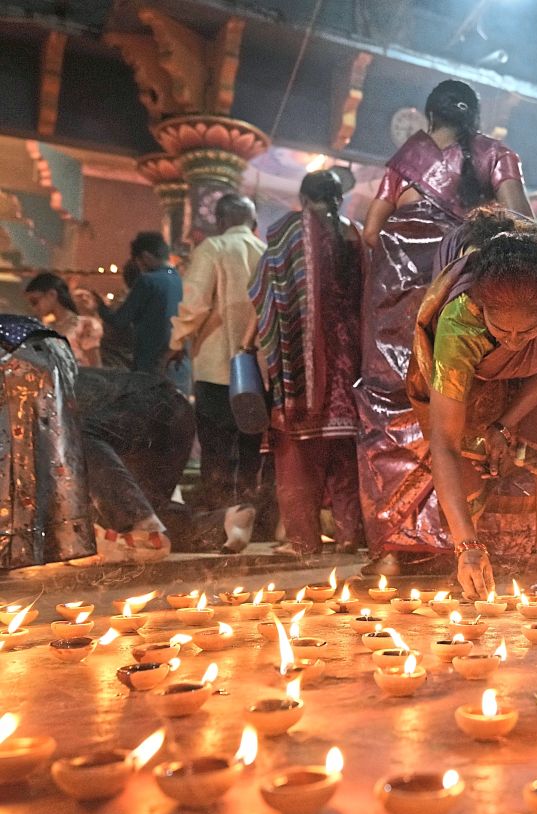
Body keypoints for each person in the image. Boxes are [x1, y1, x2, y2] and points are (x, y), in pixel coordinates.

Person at [356, 79, 533, 560]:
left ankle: (397, 543)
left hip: (392, 307)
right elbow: (523, 224)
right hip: (457, 294)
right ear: (474, 115)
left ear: (428, 117)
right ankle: (462, 538)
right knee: (461, 403)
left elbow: (371, 232)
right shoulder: (496, 154)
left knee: (392, 405)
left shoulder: (403, 161)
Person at [407, 208, 537, 598]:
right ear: (481, 310)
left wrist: (505, 424)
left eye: (527, 329)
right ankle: (468, 557)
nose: (515, 341)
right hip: (475, 366)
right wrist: (466, 547)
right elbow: (444, 444)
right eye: (503, 330)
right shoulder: (459, 324)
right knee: (467, 436)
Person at [249, 171, 364, 558]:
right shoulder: (358, 234)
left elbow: (265, 291)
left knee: (298, 457)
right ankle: (351, 535)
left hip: (299, 362)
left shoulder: (288, 235)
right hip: (352, 361)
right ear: (339, 198)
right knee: (348, 455)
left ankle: (304, 542)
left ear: (301, 196)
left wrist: (249, 340)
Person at [167, 193, 266, 516]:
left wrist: (176, 342)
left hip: (216, 367)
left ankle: (219, 518)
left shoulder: (213, 248)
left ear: (220, 221)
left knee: (216, 445)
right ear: (252, 223)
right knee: (251, 444)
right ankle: (249, 513)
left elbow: (195, 305)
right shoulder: (266, 252)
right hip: (258, 369)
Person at [0, 314, 92, 569]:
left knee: (12, 459)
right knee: (46, 455)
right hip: (50, 354)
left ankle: (15, 551)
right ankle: (36, 547)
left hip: (15, 361)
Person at [76, 367, 194, 564]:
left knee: (75, 434)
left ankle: (138, 524)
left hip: (147, 408)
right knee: (145, 519)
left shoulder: (32, 395)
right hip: (176, 414)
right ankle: (222, 522)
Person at [84, 232, 188, 392]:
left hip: (150, 364)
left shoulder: (148, 281)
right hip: (177, 365)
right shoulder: (178, 279)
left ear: (145, 257)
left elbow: (119, 321)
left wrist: (100, 305)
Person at [24, 272, 102, 367]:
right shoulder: (46, 329)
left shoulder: (86, 325)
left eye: (34, 301)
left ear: (52, 295)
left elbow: (96, 366)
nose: (34, 308)